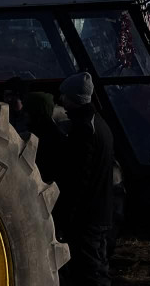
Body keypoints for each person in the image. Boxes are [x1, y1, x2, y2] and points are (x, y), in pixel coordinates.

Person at [55, 72, 114, 286]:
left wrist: (68, 216)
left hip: (88, 217)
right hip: (99, 213)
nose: (62, 101)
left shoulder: (84, 130)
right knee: (96, 267)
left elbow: (79, 178)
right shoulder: (99, 124)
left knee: (91, 273)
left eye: (65, 97)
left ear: (74, 98)